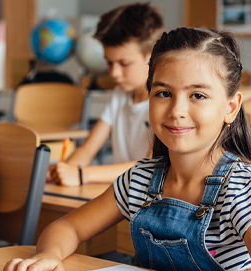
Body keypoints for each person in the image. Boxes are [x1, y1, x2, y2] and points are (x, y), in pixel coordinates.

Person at [3, 27, 251, 271]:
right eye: (163, 93)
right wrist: (50, 254)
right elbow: (69, 225)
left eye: (197, 95)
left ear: (231, 107)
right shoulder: (141, 179)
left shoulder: (240, 185)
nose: (177, 110)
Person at [48, 3, 164, 186]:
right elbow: (88, 148)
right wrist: (61, 171)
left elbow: (149, 167)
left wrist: (82, 174)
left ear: (152, 56)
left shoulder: (164, 102)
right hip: (121, 193)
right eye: (109, 63)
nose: (114, 73)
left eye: (124, 63)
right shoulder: (120, 94)